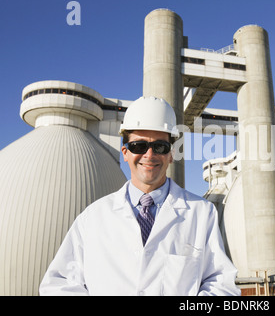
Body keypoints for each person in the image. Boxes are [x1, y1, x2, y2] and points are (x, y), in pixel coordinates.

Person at [39, 96, 241, 296]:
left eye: (160, 146)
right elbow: (58, 284)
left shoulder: (201, 213)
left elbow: (221, 284)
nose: (149, 155)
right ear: (125, 152)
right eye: (139, 146)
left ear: (170, 154)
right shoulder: (92, 218)